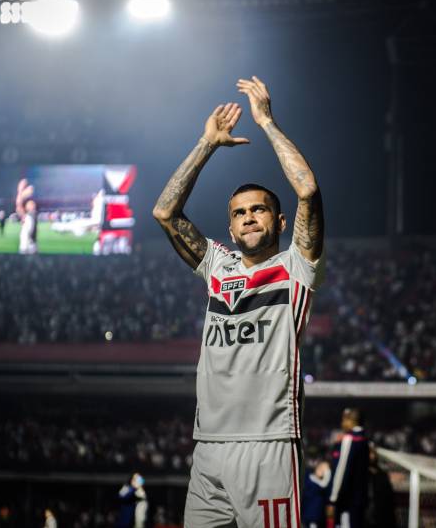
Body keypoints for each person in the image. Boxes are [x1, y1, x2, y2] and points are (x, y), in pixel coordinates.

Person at [153, 76, 325, 528]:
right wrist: (206, 144)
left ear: (280, 221)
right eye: (239, 212)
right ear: (230, 229)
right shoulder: (218, 266)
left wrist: (266, 122)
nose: (248, 217)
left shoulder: (296, 267)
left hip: (269, 444)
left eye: (259, 209)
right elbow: (164, 213)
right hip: (208, 446)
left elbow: (307, 189)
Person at [327, 408, 370, 528]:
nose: (341, 424)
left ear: (350, 420)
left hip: (346, 502)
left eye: (343, 420)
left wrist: (332, 500)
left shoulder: (349, 440)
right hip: (360, 501)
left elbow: (341, 471)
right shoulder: (365, 440)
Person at [367, 443, 396, 528]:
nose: (372, 456)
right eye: (369, 453)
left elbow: (389, 499)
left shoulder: (382, 475)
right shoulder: (359, 474)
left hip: (381, 519)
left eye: (373, 453)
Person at [302, 460, 331, 528]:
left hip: (316, 516)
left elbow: (324, 485)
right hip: (307, 515)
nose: (321, 470)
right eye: (320, 468)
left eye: (325, 470)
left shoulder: (323, 486)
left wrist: (327, 472)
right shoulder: (308, 477)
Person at [16, 179, 38, 255]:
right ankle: (31, 249)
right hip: (28, 217)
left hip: (30, 217)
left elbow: (19, 203)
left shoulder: (29, 190)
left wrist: (20, 190)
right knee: (28, 239)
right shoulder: (26, 193)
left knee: (26, 239)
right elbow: (19, 206)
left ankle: (28, 250)